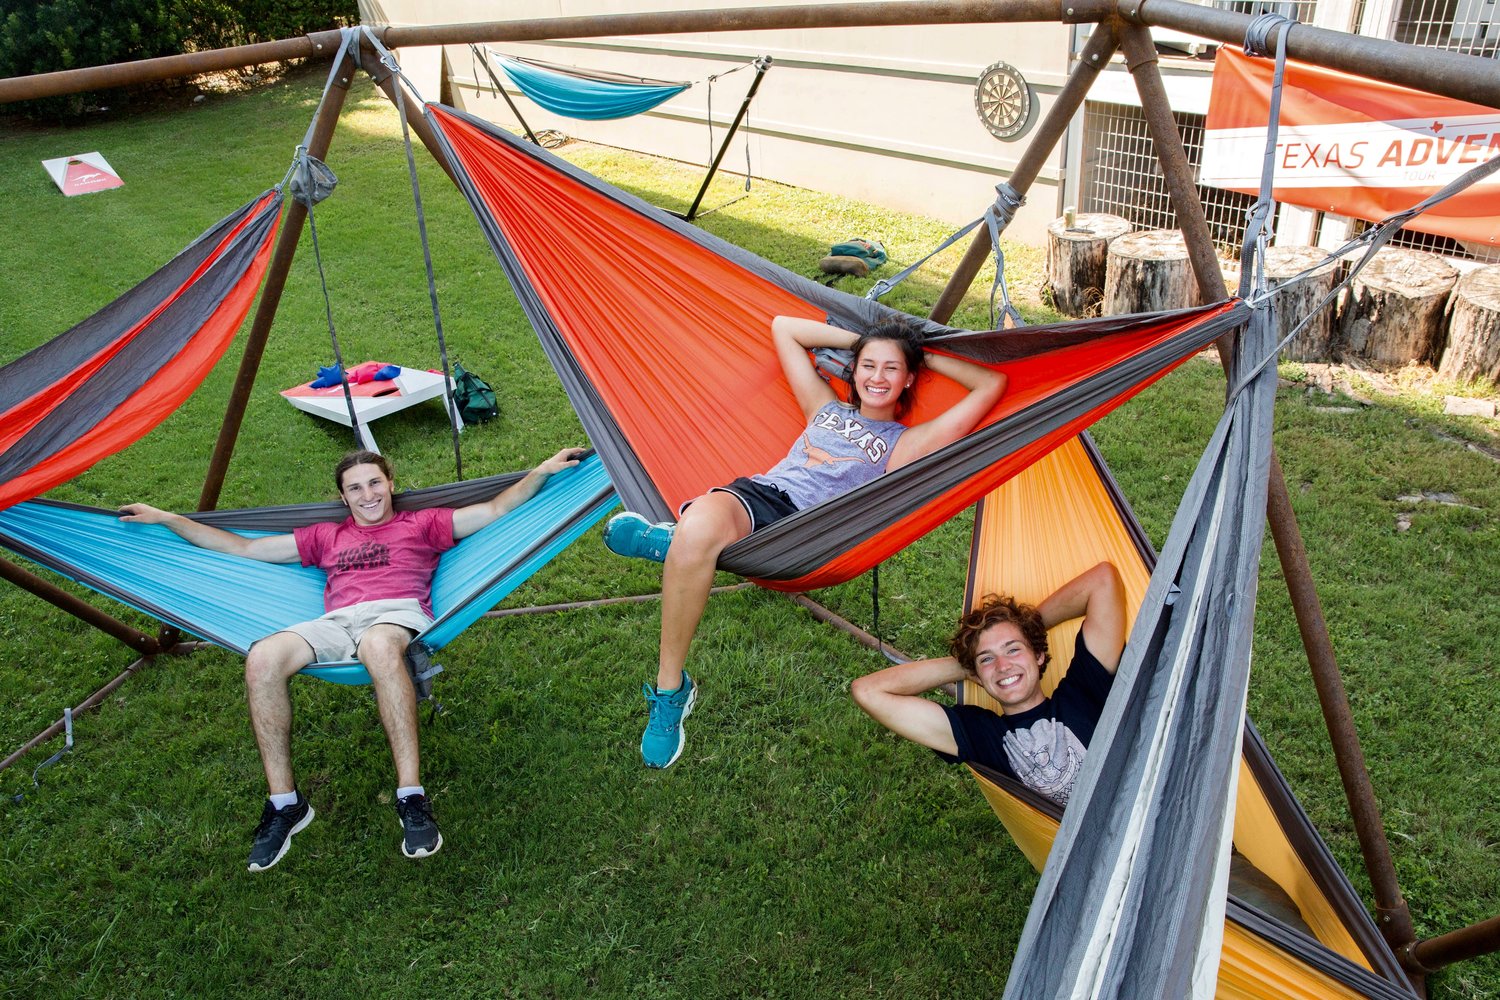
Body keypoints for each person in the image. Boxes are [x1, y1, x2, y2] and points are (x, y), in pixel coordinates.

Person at [119, 446, 586, 871]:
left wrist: (541, 471)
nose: (368, 495)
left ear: (391, 483)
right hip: (336, 621)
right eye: (356, 488)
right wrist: (167, 518)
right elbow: (242, 547)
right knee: (261, 658)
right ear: (343, 498)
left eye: (375, 483)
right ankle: (286, 804)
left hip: (395, 614)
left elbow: (497, 508)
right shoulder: (325, 536)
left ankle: (411, 796)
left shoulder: (422, 524)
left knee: (380, 647)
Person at [603, 313, 1006, 769]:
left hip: (804, 529)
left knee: (696, 535)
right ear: (854, 369)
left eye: (892, 369)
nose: (877, 377)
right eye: (868, 366)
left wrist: (919, 350)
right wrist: (872, 342)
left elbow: (991, 384)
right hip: (758, 495)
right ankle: (673, 679)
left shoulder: (906, 443)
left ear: (910, 379)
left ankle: (676, 554)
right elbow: (783, 328)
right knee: (701, 529)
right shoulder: (825, 408)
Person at [851, 561, 1127, 806]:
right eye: (987, 659)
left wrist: (1029, 627)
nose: (1003, 666)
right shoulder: (983, 737)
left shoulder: (1084, 690)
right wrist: (963, 665)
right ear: (976, 675)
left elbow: (1103, 580)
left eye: (1013, 650)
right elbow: (867, 691)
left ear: (1039, 655)